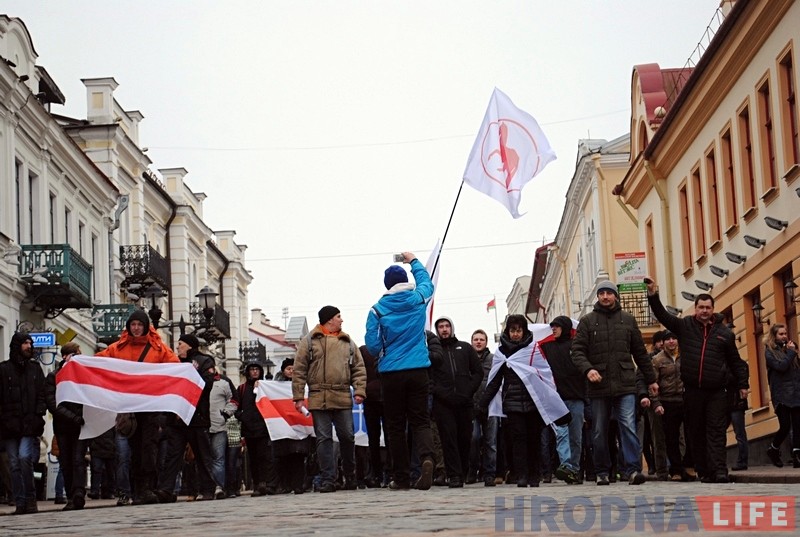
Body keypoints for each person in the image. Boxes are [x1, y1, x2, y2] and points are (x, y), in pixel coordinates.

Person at [645, 279, 749, 483]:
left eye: (708, 307)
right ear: (695, 309)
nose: (704, 311)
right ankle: (705, 471)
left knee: (716, 431)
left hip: (716, 391)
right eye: (701, 307)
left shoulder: (724, 334)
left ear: (713, 309)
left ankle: (719, 470)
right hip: (692, 390)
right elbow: (663, 316)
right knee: (696, 431)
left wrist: (743, 385)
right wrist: (653, 295)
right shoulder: (684, 326)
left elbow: (736, 362)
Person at [571, 281, 658, 486]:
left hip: (625, 383)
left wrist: (651, 379)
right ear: (598, 297)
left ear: (615, 296)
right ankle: (602, 470)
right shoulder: (587, 321)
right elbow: (577, 352)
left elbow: (640, 352)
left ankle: (633, 470)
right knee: (600, 430)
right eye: (601, 293)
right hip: (598, 386)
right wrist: (588, 369)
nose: (605, 297)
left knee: (628, 426)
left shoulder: (627, 320)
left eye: (608, 293)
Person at [364, 252, 437, 491]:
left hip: (391, 372)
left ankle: (402, 477)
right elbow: (427, 283)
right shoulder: (418, 298)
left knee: (395, 425)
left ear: (386, 285)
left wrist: (385, 350)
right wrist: (414, 261)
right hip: (418, 370)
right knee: (421, 421)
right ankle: (427, 458)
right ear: (405, 279)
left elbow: (373, 346)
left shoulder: (377, 309)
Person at [95, 310, 179, 504]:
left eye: (139, 325)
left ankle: (147, 488)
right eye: (133, 324)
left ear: (146, 326)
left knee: (148, 449)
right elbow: (100, 360)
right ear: (128, 327)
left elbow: (174, 366)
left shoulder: (158, 349)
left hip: (150, 407)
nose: (136, 328)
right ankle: (134, 490)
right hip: (129, 409)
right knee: (132, 450)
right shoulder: (118, 348)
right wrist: (79, 360)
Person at [479, 315, 569, 488]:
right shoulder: (501, 353)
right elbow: (495, 380)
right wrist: (483, 403)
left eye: (519, 330)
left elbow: (544, 374)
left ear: (524, 331)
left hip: (534, 402)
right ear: (508, 331)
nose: (515, 334)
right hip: (512, 403)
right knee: (518, 440)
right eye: (512, 330)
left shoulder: (533, 349)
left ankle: (534, 475)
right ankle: (521, 475)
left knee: (534, 439)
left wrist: (553, 401)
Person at [293, 306, 367, 493]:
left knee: (348, 437)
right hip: (319, 396)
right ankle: (328, 479)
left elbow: (358, 368)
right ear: (328, 320)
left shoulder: (348, 342)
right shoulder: (309, 341)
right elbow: (299, 369)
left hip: (342, 395)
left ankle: (350, 476)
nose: (341, 320)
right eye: (338, 316)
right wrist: (298, 396)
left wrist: (359, 390)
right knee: (323, 439)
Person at [155, 333, 223, 502]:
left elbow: (206, 384)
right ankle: (166, 489)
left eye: (180, 344)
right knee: (172, 456)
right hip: (176, 418)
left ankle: (208, 489)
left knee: (202, 455)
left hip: (196, 417)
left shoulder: (204, 361)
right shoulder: (174, 362)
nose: (177, 347)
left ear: (190, 346)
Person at [431, 317, 482, 488]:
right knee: (448, 439)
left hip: (464, 401)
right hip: (443, 404)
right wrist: (444, 395)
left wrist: (467, 392)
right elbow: (429, 379)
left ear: (452, 328)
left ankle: (464, 469)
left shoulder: (465, 348)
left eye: (446, 326)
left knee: (465, 438)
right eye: (440, 327)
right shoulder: (433, 352)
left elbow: (477, 373)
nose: (444, 329)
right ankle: (454, 475)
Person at [1, 332, 46, 514]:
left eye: (30, 343)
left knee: (24, 457)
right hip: (9, 425)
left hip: (29, 423)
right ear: (17, 345)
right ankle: (19, 500)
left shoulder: (35, 369)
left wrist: (39, 413)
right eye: (25, 343)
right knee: (13, 463)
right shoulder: (4, 370)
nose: (29, 346)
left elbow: (41, 393)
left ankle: (30, 497)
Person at [541, 315, 583, 485]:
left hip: (576, 398)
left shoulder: (576, 346)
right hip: (557, 400)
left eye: (557, 326)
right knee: (562, 435)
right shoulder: (547, 347)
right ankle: (566, 466)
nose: (553, 329)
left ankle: (575, 469)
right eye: (552, 327)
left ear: (565, 327)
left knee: (576, 437)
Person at [44, 341, 86, 510]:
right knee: (67, 462)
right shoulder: (54, 376)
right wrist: (73, 417)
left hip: (81, 426)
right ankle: (70, 495)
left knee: (78, 460)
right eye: (75, 354)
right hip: (63, 427)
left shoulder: (83, 375)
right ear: (65, 356)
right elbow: (52, 403)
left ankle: (78, 494)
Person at [648, 332, 694, 481]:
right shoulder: (657, 360)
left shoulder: (686, 356)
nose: (671, 341)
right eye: (668, 339)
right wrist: (656, 403)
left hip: (685, 399)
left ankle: (689, 466)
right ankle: (676, 470)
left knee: (690, 435)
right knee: (671, 438)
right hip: (667, 401)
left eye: (674, 338)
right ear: (664, 342)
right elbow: (653, 383)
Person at [236, 360, 278, 496]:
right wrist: (242, 417)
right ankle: (257, 484)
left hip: (263, 428)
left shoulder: (266, 386)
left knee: (265, 457)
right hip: (249, 429)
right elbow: (236, 406)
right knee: (252, 458)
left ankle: (266, 483)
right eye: (252, 369)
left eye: (257, 369)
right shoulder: (242, 389)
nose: (254, 372)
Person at [272, 359, 311, 494]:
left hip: (299, 425)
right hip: (283, 425)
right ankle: (286, 484)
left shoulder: (304, 384)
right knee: (284, 457)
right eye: (288, 368)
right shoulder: (275, 386)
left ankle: (298, 484)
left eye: (293, 368)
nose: (291, 371)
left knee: (298, 456)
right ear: (283, 370)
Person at [765, 323, 800, 468]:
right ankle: (773, 449)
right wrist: (792, 353)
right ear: (774, 336)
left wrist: (793, 353)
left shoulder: (790, 350)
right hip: (781, 394)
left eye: (785, 333)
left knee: (798, 425)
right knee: (785, 426)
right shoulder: (769, 352)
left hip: (796, 392)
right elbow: (781, 366)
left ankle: (797, 455)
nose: (784, 336)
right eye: (781, 334)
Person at [468, 329, 499, 487]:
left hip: (490, 405)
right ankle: (472, 471)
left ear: (486, 342)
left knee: (490, 442)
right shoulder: (467, 358)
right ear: (472, 341)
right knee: (473, 439)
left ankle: (489, 474)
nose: (478, 342)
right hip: (472, 406)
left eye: (481, 339)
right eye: (476, 339)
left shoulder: (493, 359)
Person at [359, 345, 387, 488]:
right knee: (373, 440)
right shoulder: (364, 350)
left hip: (389, 398)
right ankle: (376, 473)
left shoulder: (390, 345)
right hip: (370, 399)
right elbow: (358, 372)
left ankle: (392, 472)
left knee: (392, 438)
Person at [208, 365, 238, 495]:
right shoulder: (196, 381)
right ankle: (206, 486)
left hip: (219, 425)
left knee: (218, 457)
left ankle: (218, 487)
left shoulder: (224, 381)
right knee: (203, 459)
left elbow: (234, 399)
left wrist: (225, 414)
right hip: (201, 426)